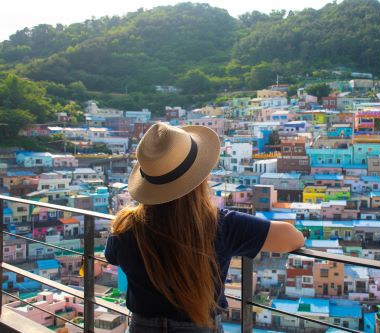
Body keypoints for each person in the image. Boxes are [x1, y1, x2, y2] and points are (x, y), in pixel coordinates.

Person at [105, 123, 305, 333]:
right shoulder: (221, 226)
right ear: (199, 179)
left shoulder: (125, 227)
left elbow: (112, 256)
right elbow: (292, 238)